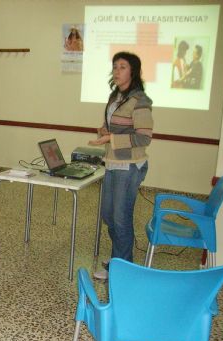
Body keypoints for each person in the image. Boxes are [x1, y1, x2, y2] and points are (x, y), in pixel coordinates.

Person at [89, 51, 153, 280]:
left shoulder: (140, 101)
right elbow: (116, 126)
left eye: (122, 67)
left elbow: (144, 137)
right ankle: (122, 256)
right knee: (108, 214)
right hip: (113, 163)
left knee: (120, 216)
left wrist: (111, 139)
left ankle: (119, 268)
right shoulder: (115, 96)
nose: (117, 71)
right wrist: (104, 131)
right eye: (115, 66)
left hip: (131, 165)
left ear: (133, 71)